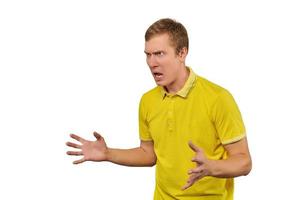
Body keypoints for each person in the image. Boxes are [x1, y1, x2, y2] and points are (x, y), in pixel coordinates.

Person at [66, 18, 252, 200]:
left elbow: (244, 162)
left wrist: (213, 167)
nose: (151, 63)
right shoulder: (148, 101)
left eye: (160, 54)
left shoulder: (218, 98)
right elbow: (149, 154)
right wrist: (108, 154)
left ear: (182, 53)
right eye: (148, 54)